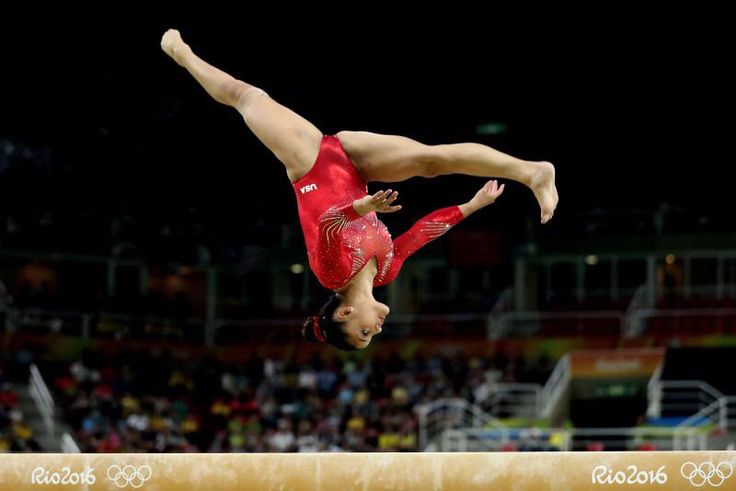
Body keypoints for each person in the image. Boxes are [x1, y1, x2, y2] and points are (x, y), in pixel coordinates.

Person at [160, 29, 558, 350]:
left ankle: (183, 55)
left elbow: (330, 224)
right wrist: (471, 206)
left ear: (345, 315)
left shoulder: (331, 274)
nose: (377, 330)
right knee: (431, 162)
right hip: (356, 167)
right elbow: (420, 234)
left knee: (247, 97)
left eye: (364, 333)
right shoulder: (385, 270)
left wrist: (362, 205)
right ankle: (533, 172)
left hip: (311, 163)